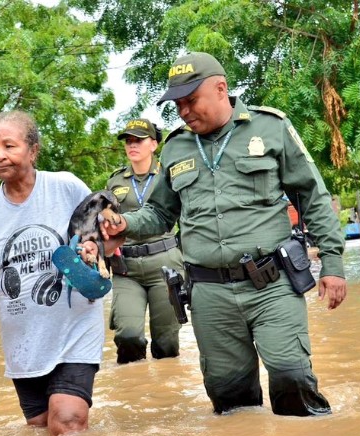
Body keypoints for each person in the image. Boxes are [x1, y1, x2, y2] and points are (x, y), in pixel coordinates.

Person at [98, 52, 346, 417]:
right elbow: (161, 213)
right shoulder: (177, 145)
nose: (183, 111)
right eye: (177, 104)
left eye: (190, 100)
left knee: (293, 382)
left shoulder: (270, 127)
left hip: (271, 286)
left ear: (221, 88)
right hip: (209, 293)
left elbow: (312, 194)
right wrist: (126, 224)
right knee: (231, 403)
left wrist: (333, 263)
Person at [0, 111, 122, 436]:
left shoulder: (66, 187)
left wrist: (97, 247)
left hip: (74, 330)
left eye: (9, 146)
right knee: (41, 430)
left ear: (33, 151)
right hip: (24, 343)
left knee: (67, 422)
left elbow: (102, 237)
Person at [106, 119, 185, 364]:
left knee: (167, 342)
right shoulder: (115, 181)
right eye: (128, 141)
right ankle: (133, 391)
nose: (132, 145)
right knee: (128, 336)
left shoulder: (169, 175)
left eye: (138, 140)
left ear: (153, 144)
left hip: (165, 263)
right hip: (127, 266)